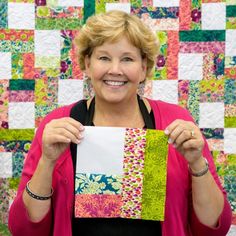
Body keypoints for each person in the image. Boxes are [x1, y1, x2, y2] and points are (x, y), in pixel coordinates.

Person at [8, 10, 232, 236]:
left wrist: (197, 164)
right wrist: (47, 162)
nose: (115, 70)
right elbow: (24, 230)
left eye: (127, 59)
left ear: (143, 68)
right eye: (104, 58)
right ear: (87, 64)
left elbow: (214, 229)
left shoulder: (175, 122)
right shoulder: (58, 125)